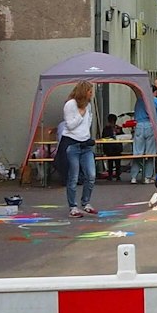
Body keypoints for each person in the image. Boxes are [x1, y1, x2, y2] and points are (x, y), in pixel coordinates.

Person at [59, 80, 96, 217]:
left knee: (91, 175)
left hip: (85, 144)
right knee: (73, 177)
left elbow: (89, 119)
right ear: (83, 92)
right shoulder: (70, 105)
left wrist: (86, 132)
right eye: (89, 91)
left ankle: (86, 202)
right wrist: (80, 114)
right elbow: (70, 125)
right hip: (72, 144)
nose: (91, 94)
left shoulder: (89, 105)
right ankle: (73, 206)